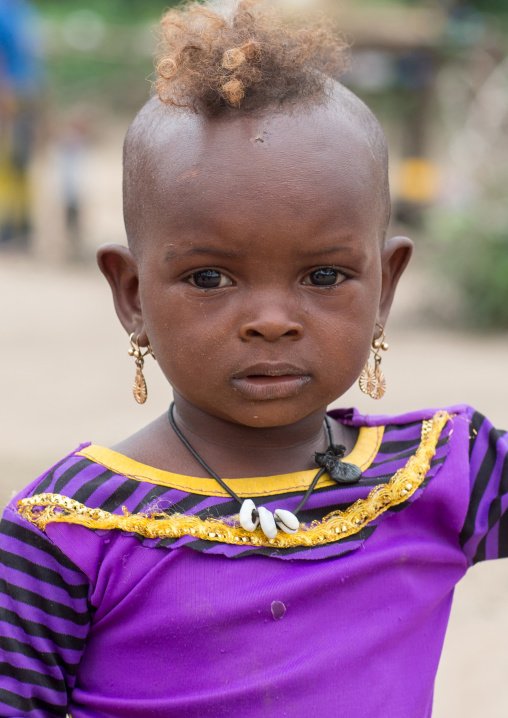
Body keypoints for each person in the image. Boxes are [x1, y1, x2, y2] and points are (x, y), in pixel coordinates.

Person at [0, 2, 506, 716]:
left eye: (324, 276)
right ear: (133, 294)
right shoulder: (69, 534)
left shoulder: (441, 473)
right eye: (211, 278)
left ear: (385, 287)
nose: (272, 321)